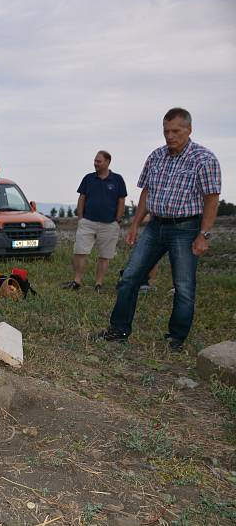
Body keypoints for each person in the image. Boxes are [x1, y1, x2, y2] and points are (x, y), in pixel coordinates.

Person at [95, 108, 221, 352]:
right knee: (129, 277)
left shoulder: (204, 159)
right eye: (166, 131)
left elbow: (212, 198)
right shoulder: (156, 156)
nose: (170, 136)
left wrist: (203, 234)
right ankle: (118, 330)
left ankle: (176, 339)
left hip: (186, 228)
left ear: (189, 130)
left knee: (183, 286)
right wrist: (134, 225)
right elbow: (147, 192)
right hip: (155, 227)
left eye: (176, 131)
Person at [62, 150, 127, 292]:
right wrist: (80, 217)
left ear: (108, 162)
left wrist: (117, 219)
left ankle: (99, 284)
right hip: (87, 222)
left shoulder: (117, 180)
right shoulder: (88, 178)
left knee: (104, 256)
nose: (95, 163)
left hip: (109, 224)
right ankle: (77, 281)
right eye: (95, 161)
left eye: (99, 161)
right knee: (80, 251)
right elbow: (82, 197)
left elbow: (121, 200)